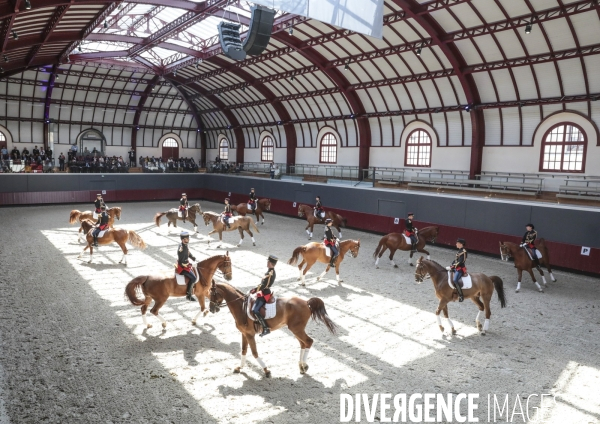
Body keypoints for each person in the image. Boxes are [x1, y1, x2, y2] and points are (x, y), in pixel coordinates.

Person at [251, 254, 278, 337]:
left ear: (270, 263)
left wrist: (255, 290)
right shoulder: (269, 271)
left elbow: (265, 285)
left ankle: (265, 328)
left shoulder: (270, 273)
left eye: (268, 261)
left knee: (255, 310)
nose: (267, 262)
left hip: (265, 293)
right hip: (262, 291)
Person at [176, 231, 198, 301]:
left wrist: (192, 257)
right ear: (183, 240)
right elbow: (180, 254)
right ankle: (189, 295)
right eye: (186, 239)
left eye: (188, 238)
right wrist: (184, 263)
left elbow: (188, 252)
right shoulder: (181, 247)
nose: (188, 239)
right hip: (183, 267)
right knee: (194, 278)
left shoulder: (185, 245)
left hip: (186, 264)